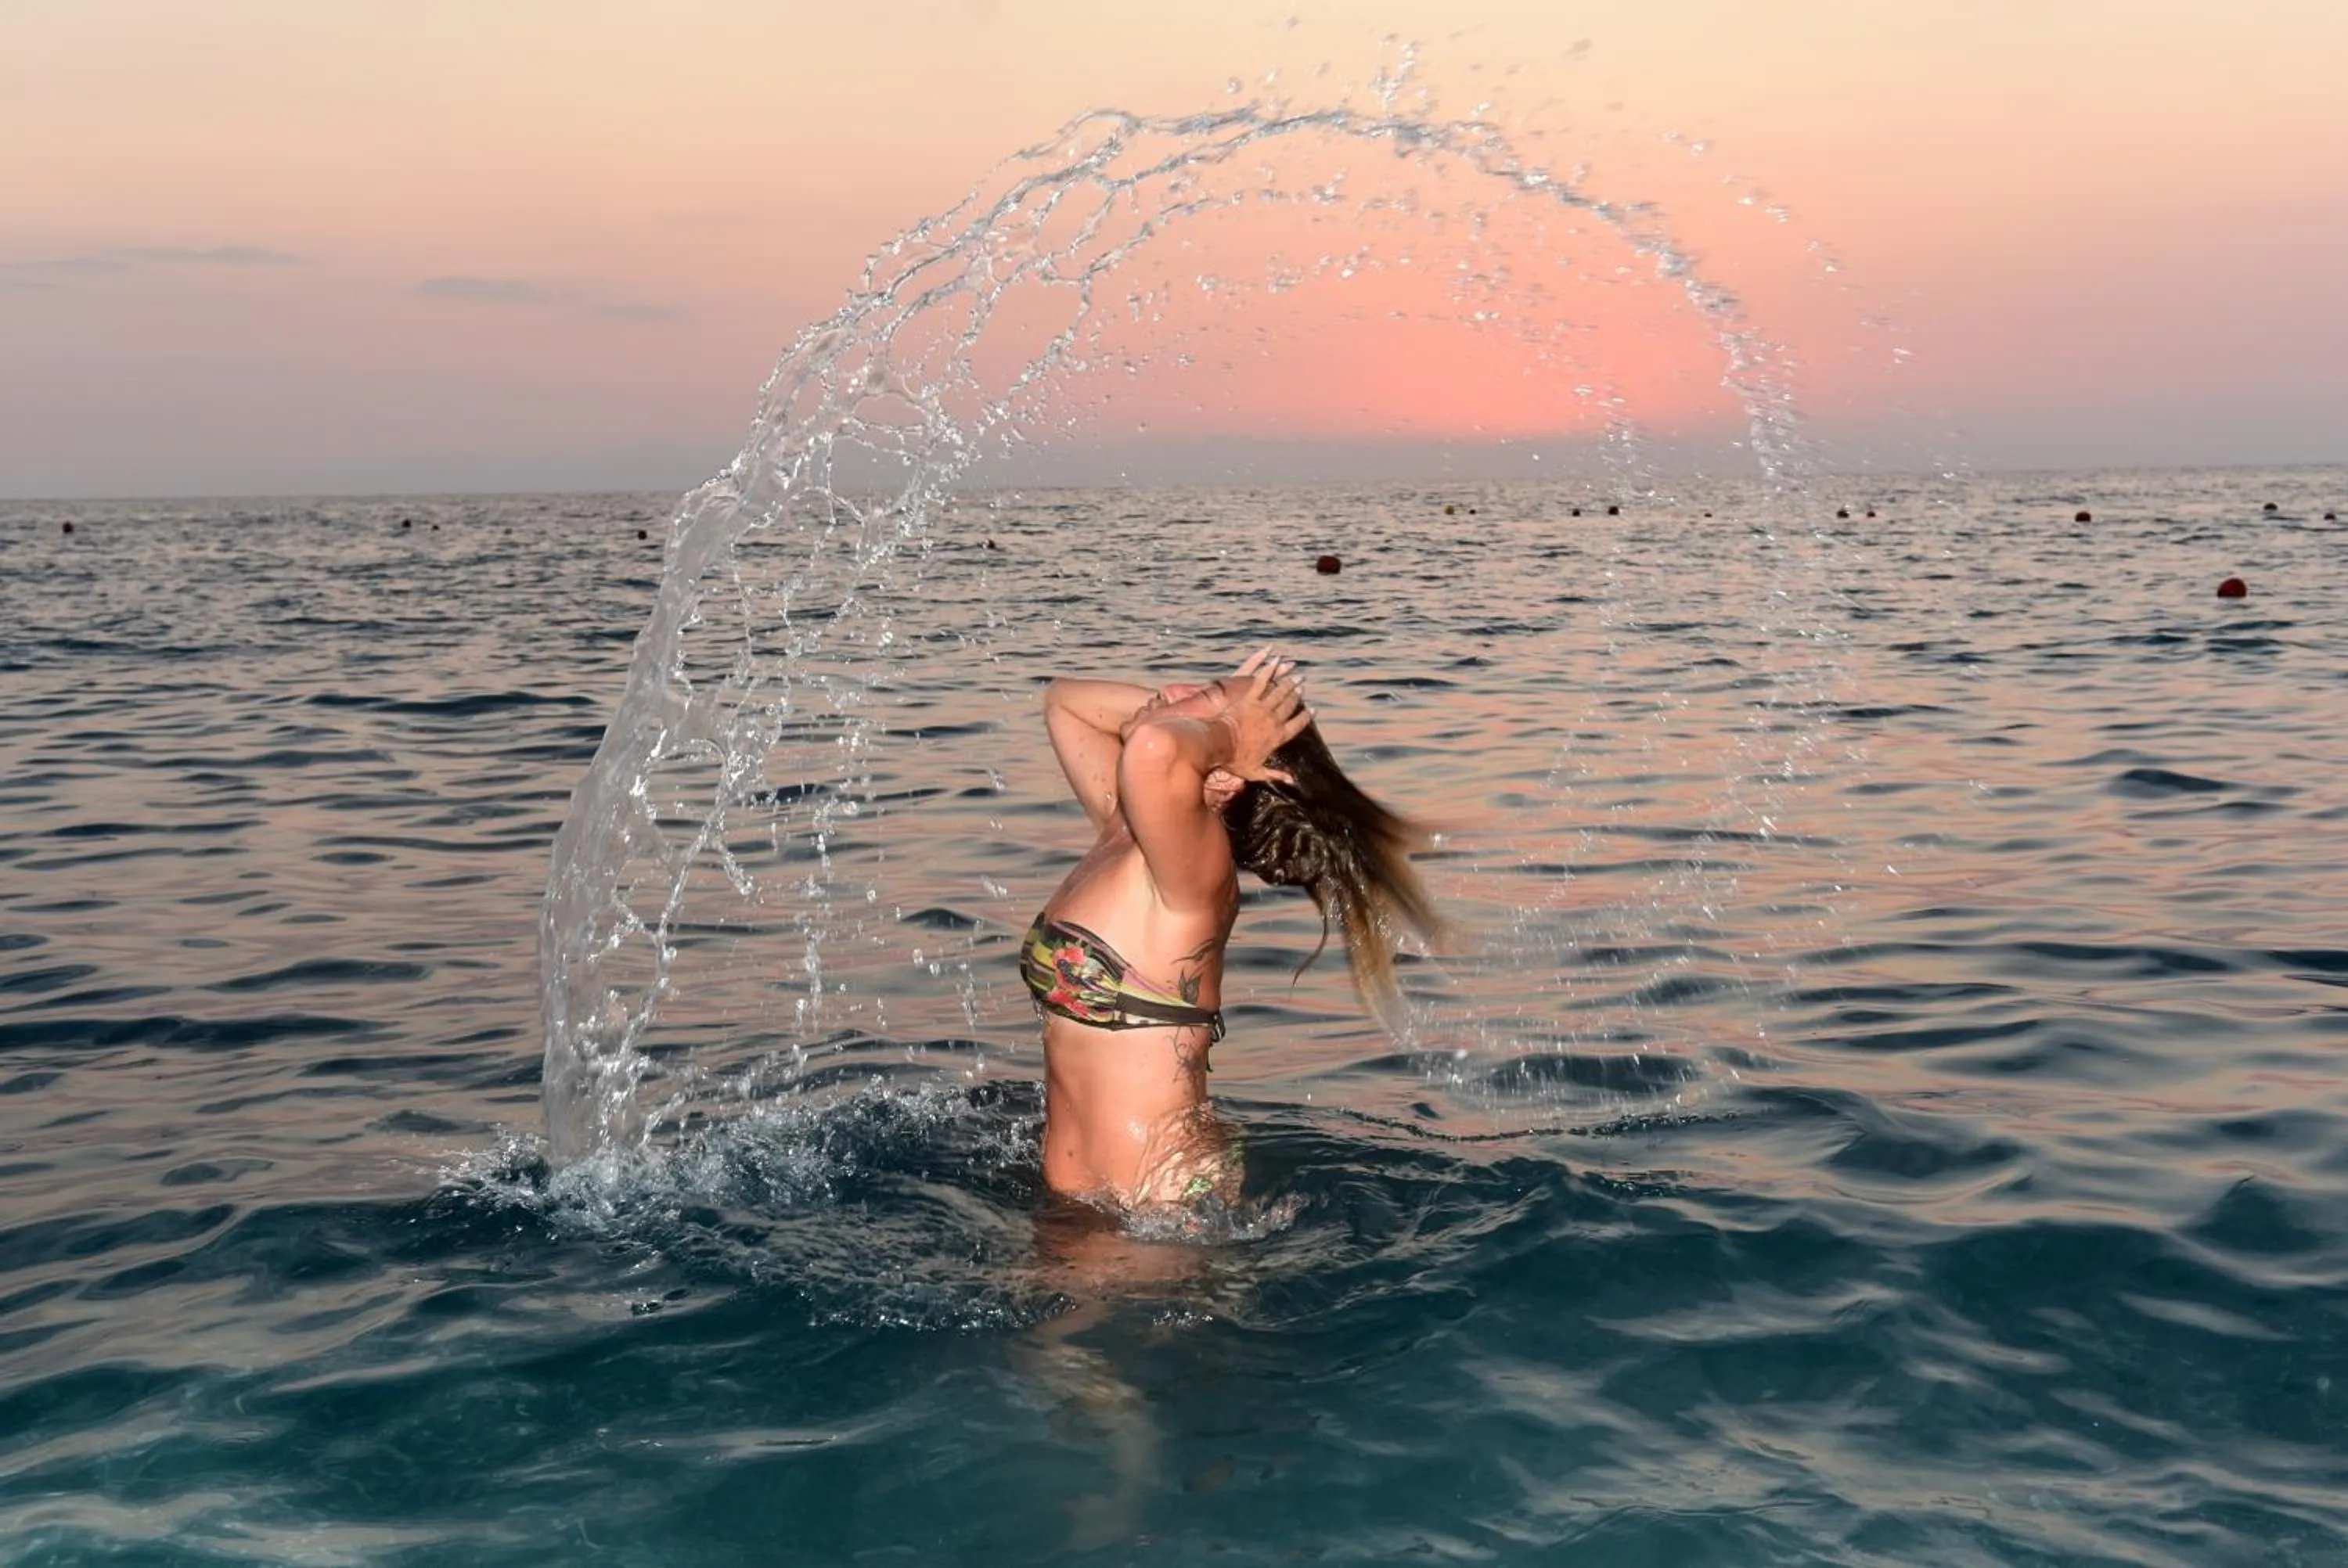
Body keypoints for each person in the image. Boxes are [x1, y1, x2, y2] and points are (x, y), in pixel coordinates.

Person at [1025, 649, 1439, 1212]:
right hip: (1086, 1204)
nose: (1171, 687)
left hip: (1162, 1198)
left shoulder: (1192, 876)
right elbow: (1065, 703)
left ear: (1228, 772)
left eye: (1203, 692)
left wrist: (1225, 731)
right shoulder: (1127, 834)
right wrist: (1212, 718)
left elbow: (1155, 750)